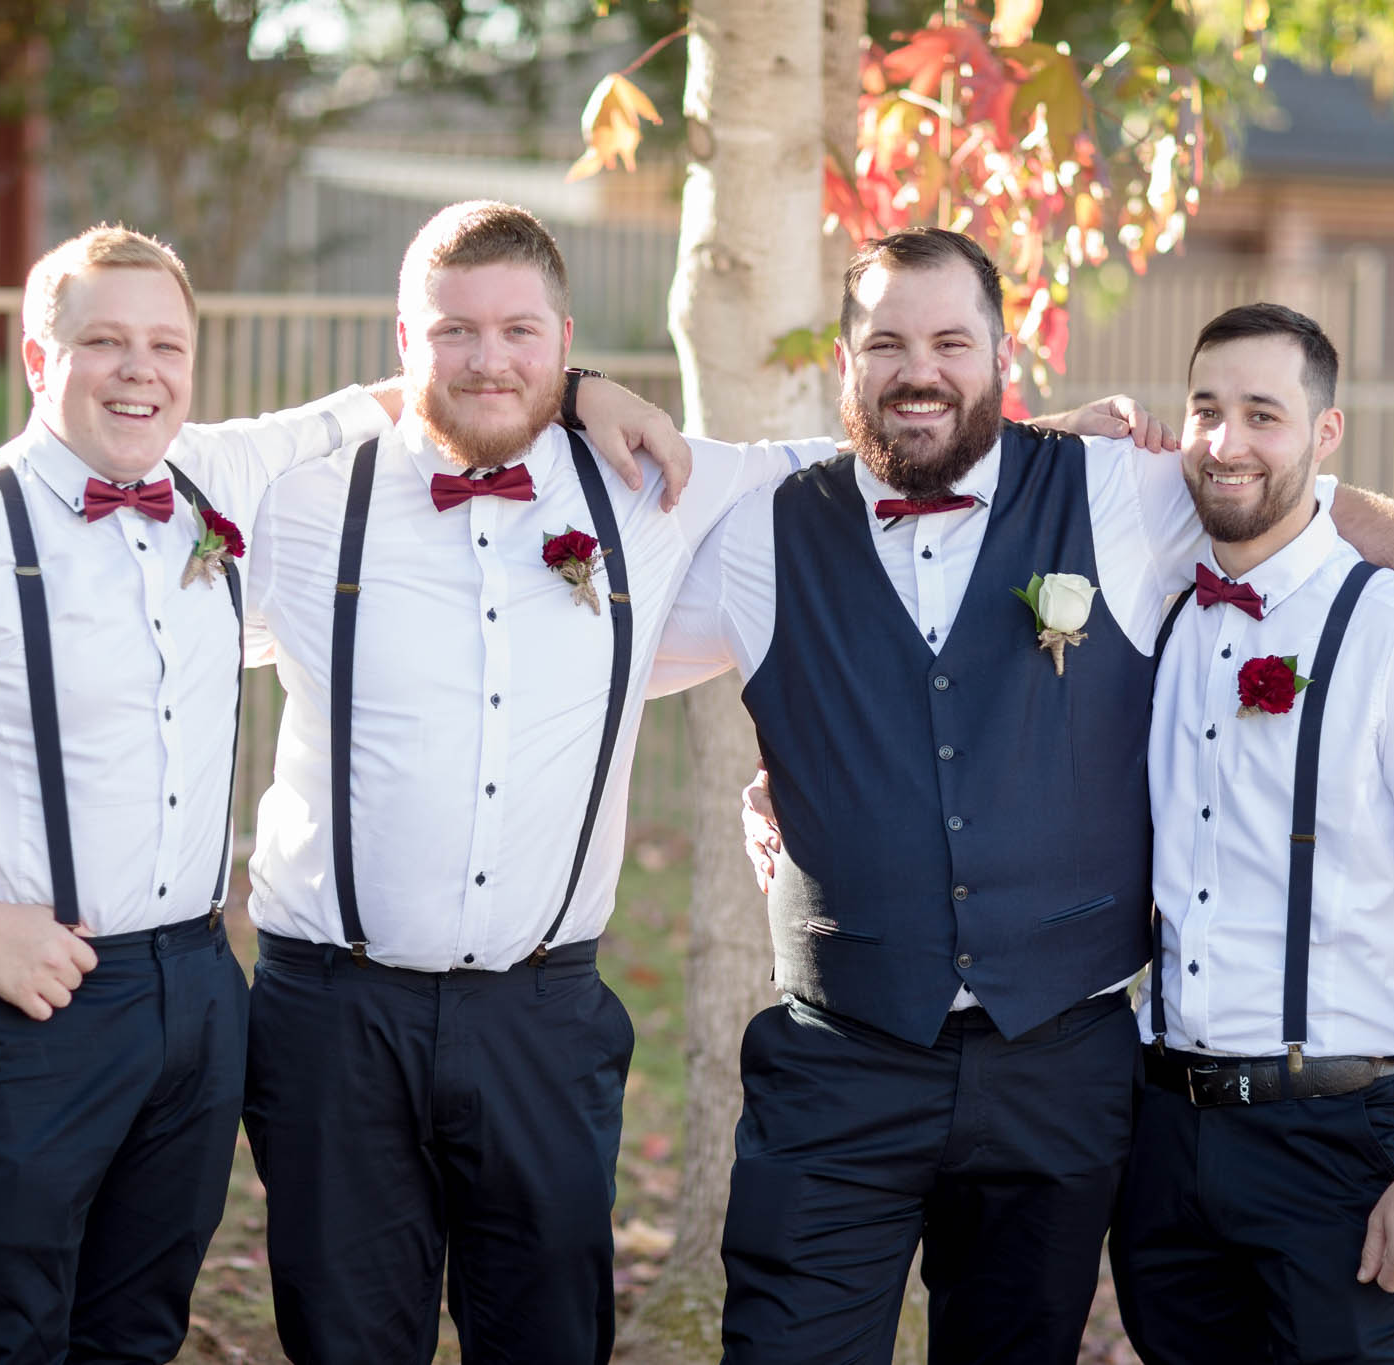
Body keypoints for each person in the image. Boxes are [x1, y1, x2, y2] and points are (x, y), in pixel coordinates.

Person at [235, 200, 1159, 1365]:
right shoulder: (311, 505)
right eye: (453, 331)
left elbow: (895, 461)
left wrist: (1043, 435)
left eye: (520, 332)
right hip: (345, 1006)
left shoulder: (657, 493)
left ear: (564, 341)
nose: (487, 359)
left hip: (558, 1013)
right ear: (402, 341)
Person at [0, 222, 684, 1363]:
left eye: (166, 345)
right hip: (14, 990)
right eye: (104, 342)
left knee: (136, 1330)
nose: (139, 371)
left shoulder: (224, 476)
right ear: (39, 358)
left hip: (194, 997)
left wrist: (581, 389)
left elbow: (431, 387)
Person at [658, 227, 1394, 1365]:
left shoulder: (1118, 490)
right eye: (888, 344)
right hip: (841, 1059)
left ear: (1001, 355)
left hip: (1059, 1069)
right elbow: (589, 662)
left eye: (951, 342)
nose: (919, 370)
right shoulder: (761, 530)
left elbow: (1286, 494)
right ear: (844, 360)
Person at [1107, 303, 1394, 1364]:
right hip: (1164, 1133)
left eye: (1264, 414)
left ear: (1325, 434)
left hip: (1340, 1139)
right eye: (1206, 409)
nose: (1227, 442)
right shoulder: (1160, 607)